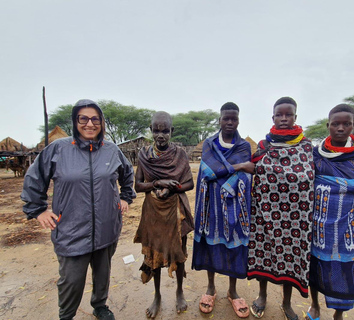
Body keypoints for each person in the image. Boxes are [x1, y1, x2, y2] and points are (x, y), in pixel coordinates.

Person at [21, 99, 136, 320]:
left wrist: (125, 197)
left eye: (95, 119)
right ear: (75, 122)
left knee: (103, 272)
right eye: (83, 118)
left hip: (106, 226)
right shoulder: (58, 149)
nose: (89, 124)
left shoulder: (111, 150)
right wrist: (38, 209)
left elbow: (127, 174)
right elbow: (35, 177)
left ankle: (100, 305)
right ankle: (67, 315)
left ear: (102, 122)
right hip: (71, 228)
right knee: (71, 280)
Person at [247, 97, 315, 320]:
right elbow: (255, 167)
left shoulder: (306, 146)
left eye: (288, 115)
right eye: (279, 115)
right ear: (273, 117)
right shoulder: (264, 145)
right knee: (263, 252)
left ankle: (286, 303)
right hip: (265, 210)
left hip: (296, 216)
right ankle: (262, 297)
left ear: (296, 117)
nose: (284, 119)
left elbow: (309, 175)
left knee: (290, 256)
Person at [306, 104, 354, 320]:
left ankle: (338, 314)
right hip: (318, 220)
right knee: (315, 266)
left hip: (348, 223)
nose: (341, 128)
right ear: (328, 126)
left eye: (347, 124)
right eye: (336, 124)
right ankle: (315, 305)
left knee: (345, 270)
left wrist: (332, 184)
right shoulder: (315, 155)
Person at [192, 102, 254, 318]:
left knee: (234, 246)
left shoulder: (244, 146)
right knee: (211, 242)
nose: (229, 122)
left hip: (235, 205)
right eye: (226, 118)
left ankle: (233, 290)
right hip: (211, 205)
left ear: (238, 120)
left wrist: (235, 172)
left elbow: (249, 172)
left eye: (234, 119)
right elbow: (207, 172)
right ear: (219, 120)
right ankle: (210, 288)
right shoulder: (209, 144)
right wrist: (237, 168)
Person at [133, 111, 194, 318]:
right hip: (153, 212)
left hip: (176, 212)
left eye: (165, 131)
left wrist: (173, 188)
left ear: (171, 131)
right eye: (157, 131)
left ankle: (179, 291)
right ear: (151, 131)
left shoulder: (180, 155)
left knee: (179, 252)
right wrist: (157, 183)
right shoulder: (144, 155)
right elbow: (138, 186)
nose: (161, 135)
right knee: (155, 255)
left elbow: (189, 183)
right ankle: (157, 295)